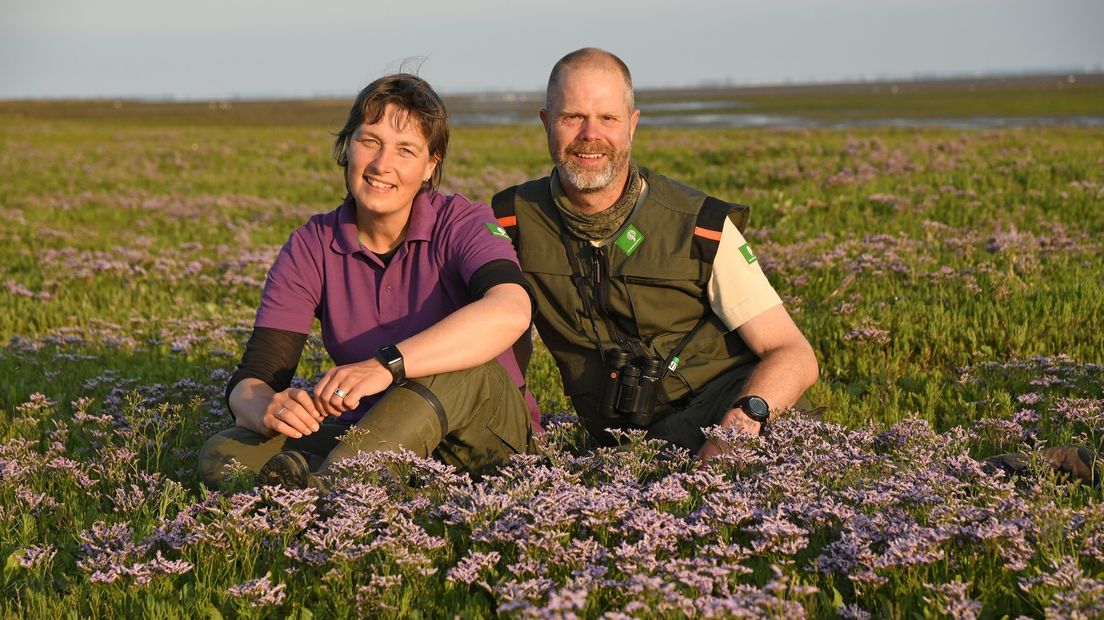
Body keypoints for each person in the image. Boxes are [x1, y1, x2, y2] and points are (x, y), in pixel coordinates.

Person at [198, 74, 539, 489]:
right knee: (225, 452)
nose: (382, 166)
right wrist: (268, 408)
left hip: (483, 437)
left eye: (406, 150)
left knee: (456, 362)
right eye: (370, 142)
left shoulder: (462, 222)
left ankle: (333, 494)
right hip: (371, 434)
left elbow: (511, 311)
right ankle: (369, 488)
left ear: (431, 165)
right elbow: (255, 375)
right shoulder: (312, 245)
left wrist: (388, 365)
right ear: (348, 146)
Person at [491, 48, 819, 460]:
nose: (590, 135)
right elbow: (496, 345)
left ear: (632, 125)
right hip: (619, 444)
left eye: (608, 118)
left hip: (727, 414)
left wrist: (737, 428)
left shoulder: (700, 225)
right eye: (571, 117)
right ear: (546, 123)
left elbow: (794, 354)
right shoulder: (511, 221)